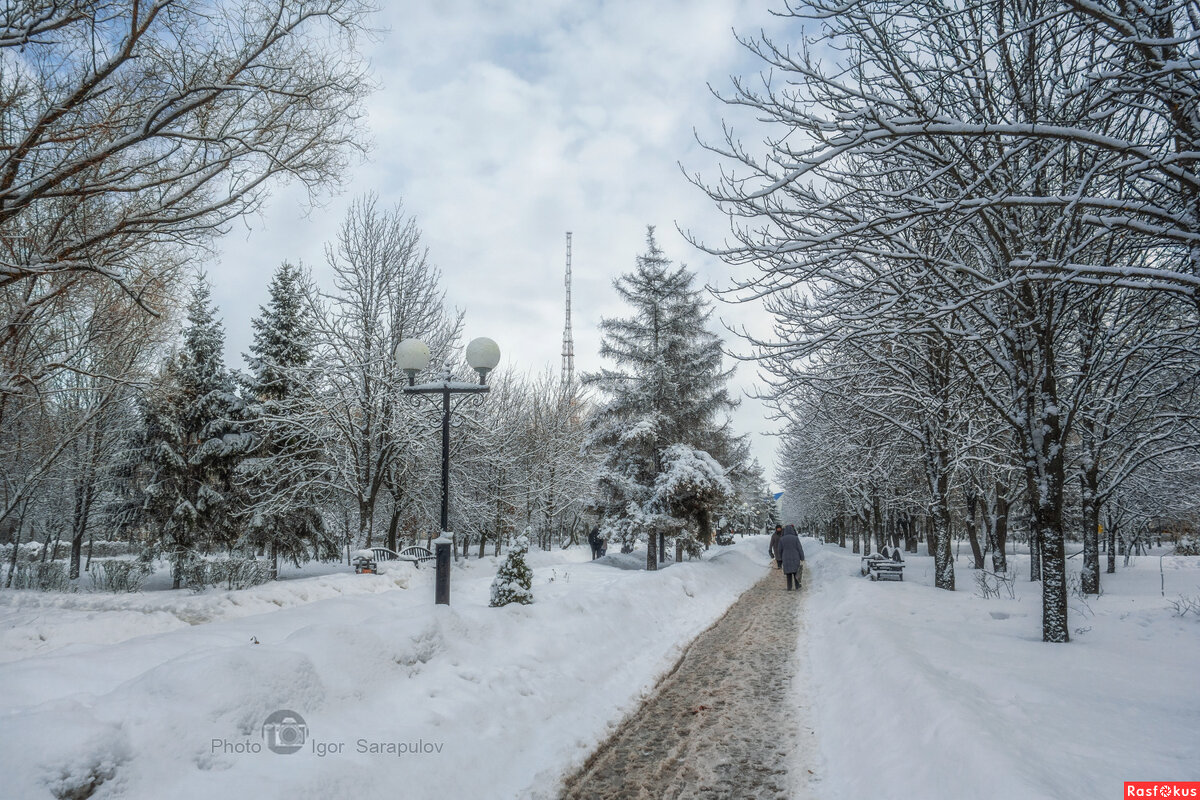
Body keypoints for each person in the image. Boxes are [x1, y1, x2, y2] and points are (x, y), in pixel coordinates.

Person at [779, 525, 805, 591]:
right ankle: (797, 586)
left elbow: (780, 550)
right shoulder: (795, 538)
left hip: (786, 558)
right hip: (795, 557)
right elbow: (800, 548)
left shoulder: (782, 539)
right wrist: (802, 557)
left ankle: (789, 587)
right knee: (796, 572)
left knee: (788, 573)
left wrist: (781, 558)